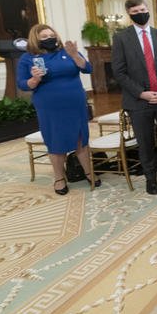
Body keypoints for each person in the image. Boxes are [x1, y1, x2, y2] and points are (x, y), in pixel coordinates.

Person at [111, 0, 157, 195]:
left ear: (148, 10)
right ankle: (150, 178)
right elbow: (119, 72)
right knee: (145, 142)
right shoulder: (121, 38)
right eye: (135, 12)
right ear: (129, 15)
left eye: (142, 10)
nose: (140, 14)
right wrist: (142, 93)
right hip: (138, 101)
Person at [16, 24, 97, 194]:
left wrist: (75, 55)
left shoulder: (68, 51)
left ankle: (88, 172)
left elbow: (87, 68)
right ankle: (59, 178)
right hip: (50, 106)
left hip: (75, 103)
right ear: (35, 40)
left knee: (81, 138)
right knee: (56, 140)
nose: (49, 39)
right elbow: (23, 84)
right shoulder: (27, 58)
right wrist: (35, 79)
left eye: (51, 35)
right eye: (44, 37)